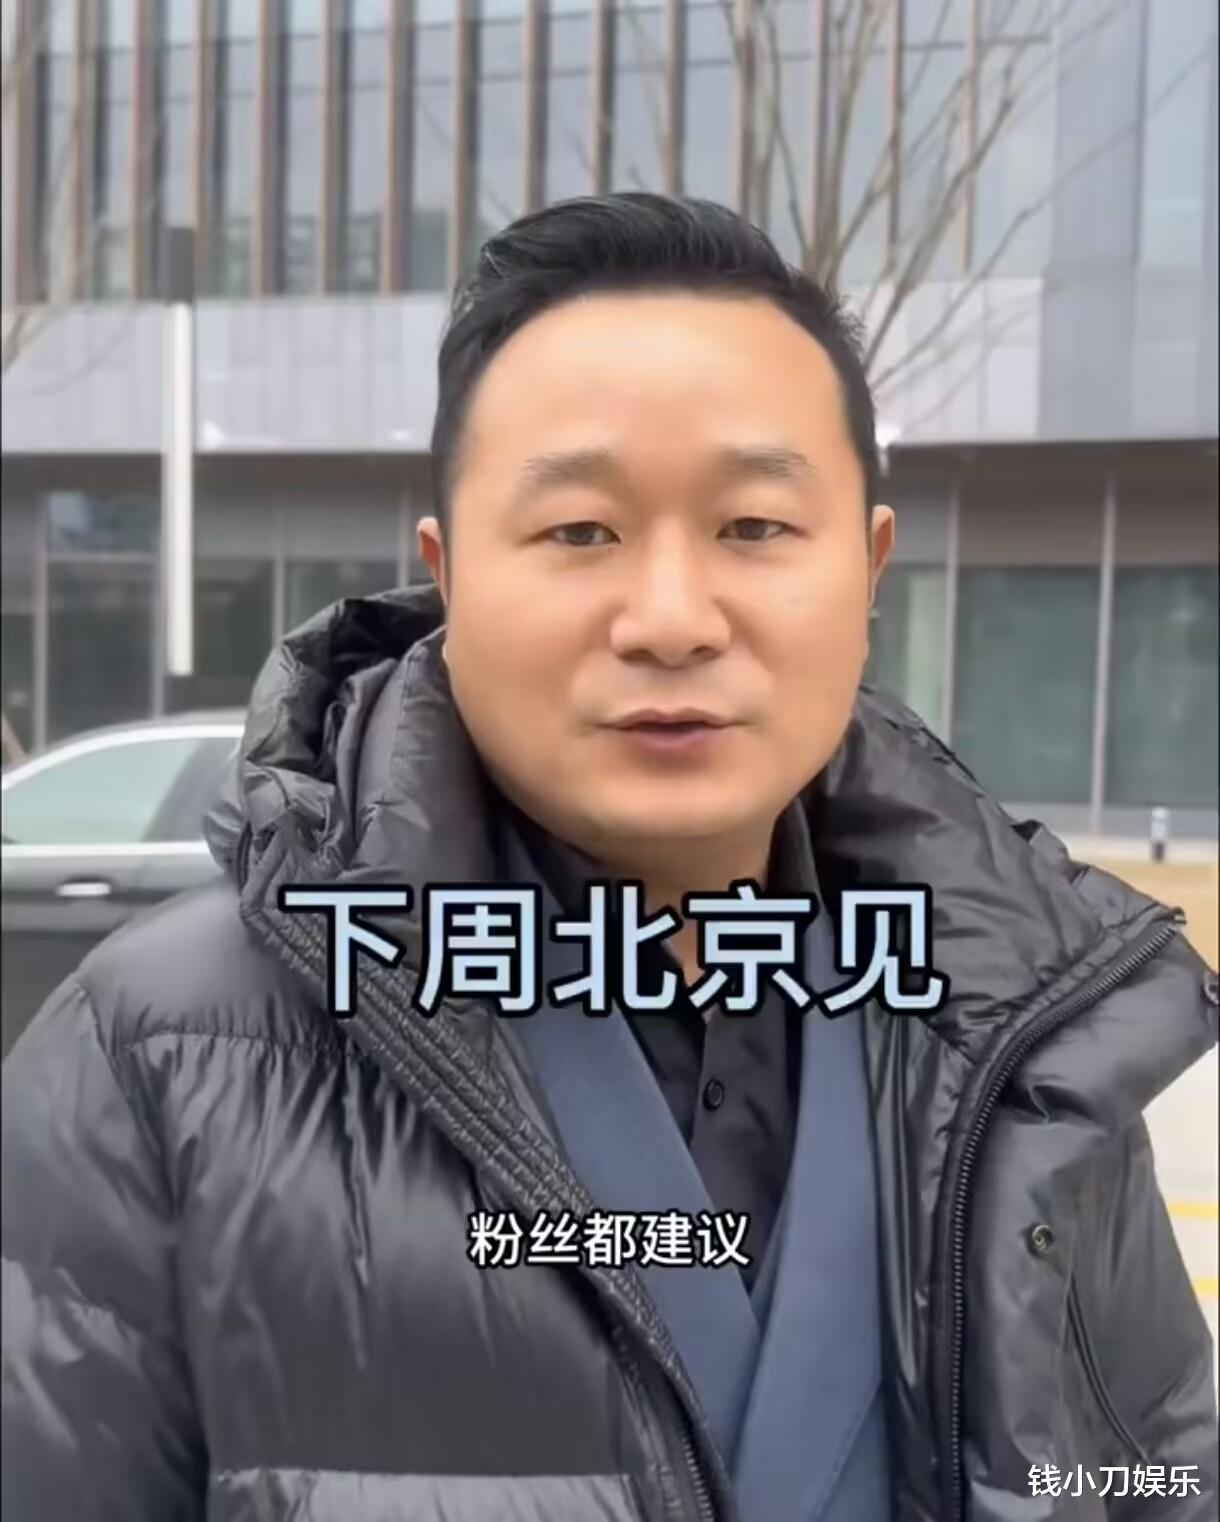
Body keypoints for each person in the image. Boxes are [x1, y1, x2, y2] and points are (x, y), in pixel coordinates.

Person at [3, 194, 1216, 1522]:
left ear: (871, 568)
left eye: (755, 527)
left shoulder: (1026, 1037)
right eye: (581, 531)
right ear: (450, 572)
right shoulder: (160, 1061)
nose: (673, 619)